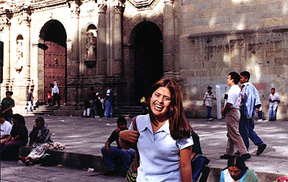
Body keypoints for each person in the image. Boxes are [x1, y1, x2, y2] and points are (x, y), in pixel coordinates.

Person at [119, 78, 194, 182]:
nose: (160, 101)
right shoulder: (139, 121)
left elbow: (185, 166)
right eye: (157, 95)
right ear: (150, 97)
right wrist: (122, 136)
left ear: (173, 104)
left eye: (166, 98)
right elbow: (126, 147)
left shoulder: (179, 127)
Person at [220, 72, 250, 161]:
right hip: (234, 112)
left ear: (232, 80)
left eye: (228, 78)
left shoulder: (233, 90)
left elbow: (230, 103)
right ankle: (229, 152)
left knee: (234, 133)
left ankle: (244, 152)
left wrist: (224, 110)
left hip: (232, 112)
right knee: (230, 133)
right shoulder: (236, 89)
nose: (227, 80)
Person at [239, 71, 266, 156]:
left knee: (244, 131)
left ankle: (244, 150)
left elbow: (249, 100)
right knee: (249, 129)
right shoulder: (250, 87)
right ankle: (259, 143)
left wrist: (248, 112)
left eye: (241, 78)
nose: (240, 79)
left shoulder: (248, 87)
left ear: (246, 79)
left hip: (246, 111)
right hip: (249, 112)